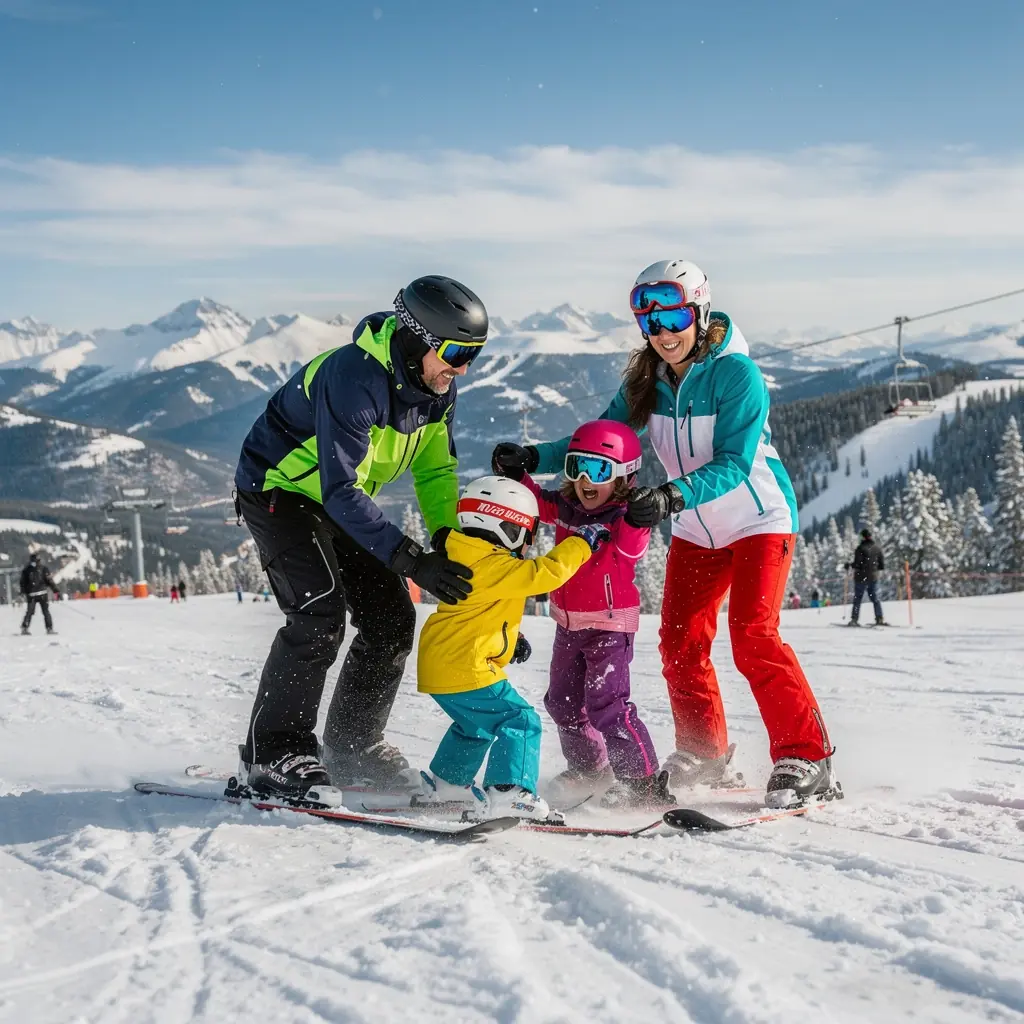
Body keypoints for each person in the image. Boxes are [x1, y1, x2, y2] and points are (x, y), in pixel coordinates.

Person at [493, 260, 837, 809]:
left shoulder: (736, 375)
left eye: (674, 315)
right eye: (649, 321)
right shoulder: (649, 381)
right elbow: (597, 440)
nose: (663, 332)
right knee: (679, 643)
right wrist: (535, 457)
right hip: (697, 529)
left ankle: (806, 756)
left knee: (753, 635)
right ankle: (705, 751)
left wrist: (673, 495)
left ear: (698, 311)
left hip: (758, 520)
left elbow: (736, 463)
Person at [233, 275, 488, 801]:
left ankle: (353, 744)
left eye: (474, 355)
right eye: (457, 352)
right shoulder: (354, 377)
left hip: (342, 499)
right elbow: (340, 489)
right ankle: (274, 752)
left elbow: (436, 472)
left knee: (392, 618)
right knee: (318, 612)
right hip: (280, 490)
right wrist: (412, 562)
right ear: (418, 338)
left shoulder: (436, 386)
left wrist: (445, 541)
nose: (463, 368)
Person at [502, 419, 673, 809]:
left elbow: (631, 550)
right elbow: (536, 503)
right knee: (561, 702)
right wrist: (516, 473)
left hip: (609, 625)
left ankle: (642, 782)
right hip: (567, 622)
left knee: (607, 705)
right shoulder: (568, 506)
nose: (583, 479)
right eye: (575, 467)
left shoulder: (623, 518)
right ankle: (589, 770)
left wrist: (639, 516)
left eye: (597, 470)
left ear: (624, 476)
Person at [416, 476, 602, 821]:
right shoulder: (495, 563)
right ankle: (509, 792)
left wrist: (506, 639)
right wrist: (581, 544)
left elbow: (480, 609)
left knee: (476, 725)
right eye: (527, 534)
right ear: (508, 527)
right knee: (520, 719)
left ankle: (448, 785)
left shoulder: (466, 553)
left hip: (443, 660)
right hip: (465, 666)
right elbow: (543, 574)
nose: (527, 544)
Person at [847, 529, 886, 625]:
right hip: (873, 577)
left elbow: (857, 564)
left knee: (858, 598)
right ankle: (879, 617)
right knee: (875, 598)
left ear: (863, 537)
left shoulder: (860, 548)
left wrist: (849, 565)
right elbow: (881, 565)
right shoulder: (877, 548)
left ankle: (854, 619)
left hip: (861, 578)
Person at [20, 553, 58, 635]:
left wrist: (24, 592)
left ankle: (25, 627)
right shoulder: (43, 569)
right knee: (45, 611)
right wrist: (55, 589)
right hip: (41, 593)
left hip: (33, 594)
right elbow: (49, 581)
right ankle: (49, 628)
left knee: (30, 612)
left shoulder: (26, 570)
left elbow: (23, 583)